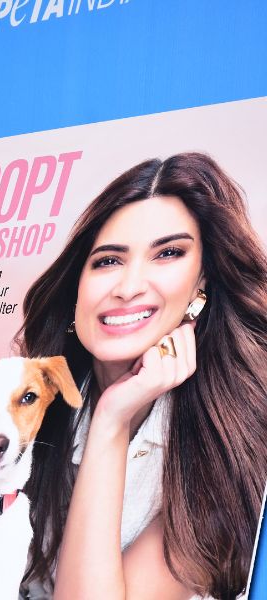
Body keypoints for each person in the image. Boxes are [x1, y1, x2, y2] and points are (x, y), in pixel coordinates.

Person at [16, 152, 267, 600]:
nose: (129, 287)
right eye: (108, 261)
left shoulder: (233, 443)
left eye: (168, 253)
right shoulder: (29, 403)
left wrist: (111, 420)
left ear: (202, 284)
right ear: (77, 285)